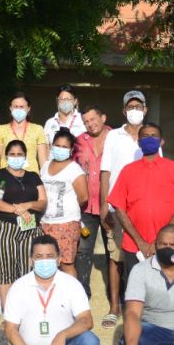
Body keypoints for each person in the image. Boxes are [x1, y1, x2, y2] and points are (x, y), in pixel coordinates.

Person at [0, 235, 99, 345]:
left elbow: (87, 320)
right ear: (31, 260)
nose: (44, 261)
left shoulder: (71, 284)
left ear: (59, 258)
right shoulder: (19, 287)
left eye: (49, 256)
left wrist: (63, 335)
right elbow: (10, 329)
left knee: (90, 341)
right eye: (39, 256)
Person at [108, 123, 174, 280]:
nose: (149, 139)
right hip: (134, 244)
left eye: (153, 136)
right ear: (139, 142)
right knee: (136, 289)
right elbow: (119, 207)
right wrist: (140, 241)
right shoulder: (128, 171)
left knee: (164, 288)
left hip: (167, 245)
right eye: (145, 136)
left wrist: (160, 240)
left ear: (161, 141)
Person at [99, 90, 151, 327]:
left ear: (145, 110)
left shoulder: (151, 136)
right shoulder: (113, 136)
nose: (135, 111)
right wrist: (103, 204)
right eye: (130, 106)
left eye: (139, 107)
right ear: (123, 111)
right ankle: (114, 307)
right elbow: (106, 172)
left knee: (143, 256)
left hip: (144, 208)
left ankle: (140, 305)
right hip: (117, 207)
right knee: (116, 256)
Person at [0, 140, 48, 302]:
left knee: (29, 270)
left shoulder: (33, 176)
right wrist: (17, 209)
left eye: (19, 154)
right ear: (6, 156)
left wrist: (28, 205)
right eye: (12, 154)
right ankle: (9, 314)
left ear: (25, 156)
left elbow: (42, 202)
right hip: (3, 228)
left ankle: (27, 310)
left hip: (30, 228)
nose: (16, 157)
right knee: (6, 271)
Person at [75, 106, 118, 305]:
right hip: (86, 206)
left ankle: (117, 294)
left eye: (93, 119)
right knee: (83, 250)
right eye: (86, 122)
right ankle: (83, 294)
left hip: (111, 206)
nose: (90, 124)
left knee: (115, 251)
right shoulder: (80, 142)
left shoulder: (117, 138)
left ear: (103, 117)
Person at [40, 130, 88, 278]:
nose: (60, 149)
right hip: (44, 223)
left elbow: (83, 197)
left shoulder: (75, 169)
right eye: (57, 145)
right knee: (47, 262)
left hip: (66, 224)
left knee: (66, 264)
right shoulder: (46, 165)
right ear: (52, 145)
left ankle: (72, 297)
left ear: (71, 150)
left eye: (64, 147)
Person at [0, 92, 48, 173]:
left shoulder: (38, 129)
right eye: (15, 107)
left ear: (28, 108)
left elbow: (43, 161)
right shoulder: (1, 129)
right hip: (7, 175)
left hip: (31, 176)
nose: (18, 109)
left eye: (22, 107)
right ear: (10, 108)